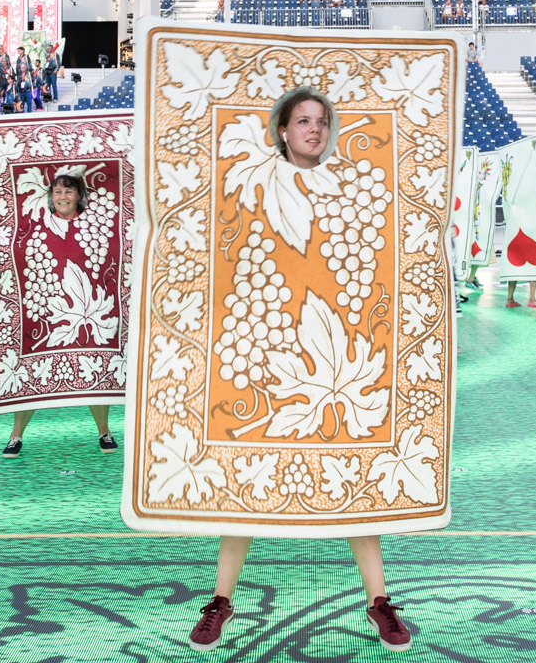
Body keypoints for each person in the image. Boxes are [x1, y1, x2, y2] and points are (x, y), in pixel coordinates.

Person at [188, 88, 411, 652]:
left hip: (336, 349)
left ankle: (379, 602)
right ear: (283, 130)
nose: (315, 129)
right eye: (303, 120)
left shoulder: (351, 186)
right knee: (245, 482)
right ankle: (220, 600)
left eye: (322, 121)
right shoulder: (252, 183)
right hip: (269, 350)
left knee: (357, 481)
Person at [0, 174, 116, 459]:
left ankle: (104, 430)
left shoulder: (95, 225)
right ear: (50, 195)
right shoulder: (37, 225)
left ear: (79, 195)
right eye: (58, 191)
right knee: (30, 370)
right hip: (46, 310)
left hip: (88, 309)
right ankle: (16, 434)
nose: (62, 196)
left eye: (68, 191)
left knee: (96, 368)